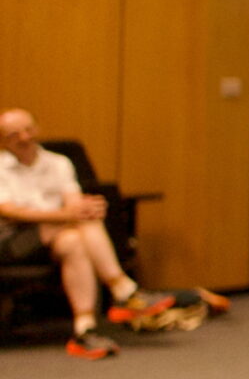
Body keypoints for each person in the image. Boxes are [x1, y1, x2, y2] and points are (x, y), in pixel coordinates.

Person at [0, 109, 176, 359]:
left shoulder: (58, 163)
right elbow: (10, 211)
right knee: (83, 217)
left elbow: (73, 202)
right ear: (3, 141)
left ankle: (85, 329)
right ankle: (123, 289)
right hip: (12, 242)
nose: (24, 137)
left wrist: (82, 209)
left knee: (75, 239)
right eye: (14, 134)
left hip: (58, 236)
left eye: (28, 130)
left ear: (37, 129)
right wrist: (70, 214)